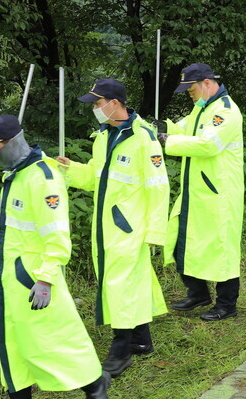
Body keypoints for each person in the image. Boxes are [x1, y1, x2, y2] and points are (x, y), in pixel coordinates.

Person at [0, 114, 109, 399]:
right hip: (10, 279)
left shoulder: (44, 179)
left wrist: (46, 279)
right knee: (14, 348)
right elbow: (12, 233)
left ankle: (95, 386)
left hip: (33, 281)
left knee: (56, 340)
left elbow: (58, 237)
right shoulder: (15, 176)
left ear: (12, 142)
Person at [58, 79, 169, 377]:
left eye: (97, 103)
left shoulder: (144, 137)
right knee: (126, 281)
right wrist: (69, 169)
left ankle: (120, 351)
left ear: (114, 103)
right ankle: (141, 342)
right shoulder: (103, 136)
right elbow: (97, 177)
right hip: (107, 225)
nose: (94, 109)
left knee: (121, 284)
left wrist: (155, 232)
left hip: (131, 227)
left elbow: (159, 187)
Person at [160, 63, 244, 321]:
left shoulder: (226, 111)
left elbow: (208, 145)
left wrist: (167, 141)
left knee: (222, 248)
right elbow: (182, 129)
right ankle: (198, 293)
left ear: (207, 83)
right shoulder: (202, 108)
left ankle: (227, 304)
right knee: (182, 240)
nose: (190, 94)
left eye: (192, 89)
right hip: (195, 190)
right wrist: (157, 126)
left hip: (219, 193)